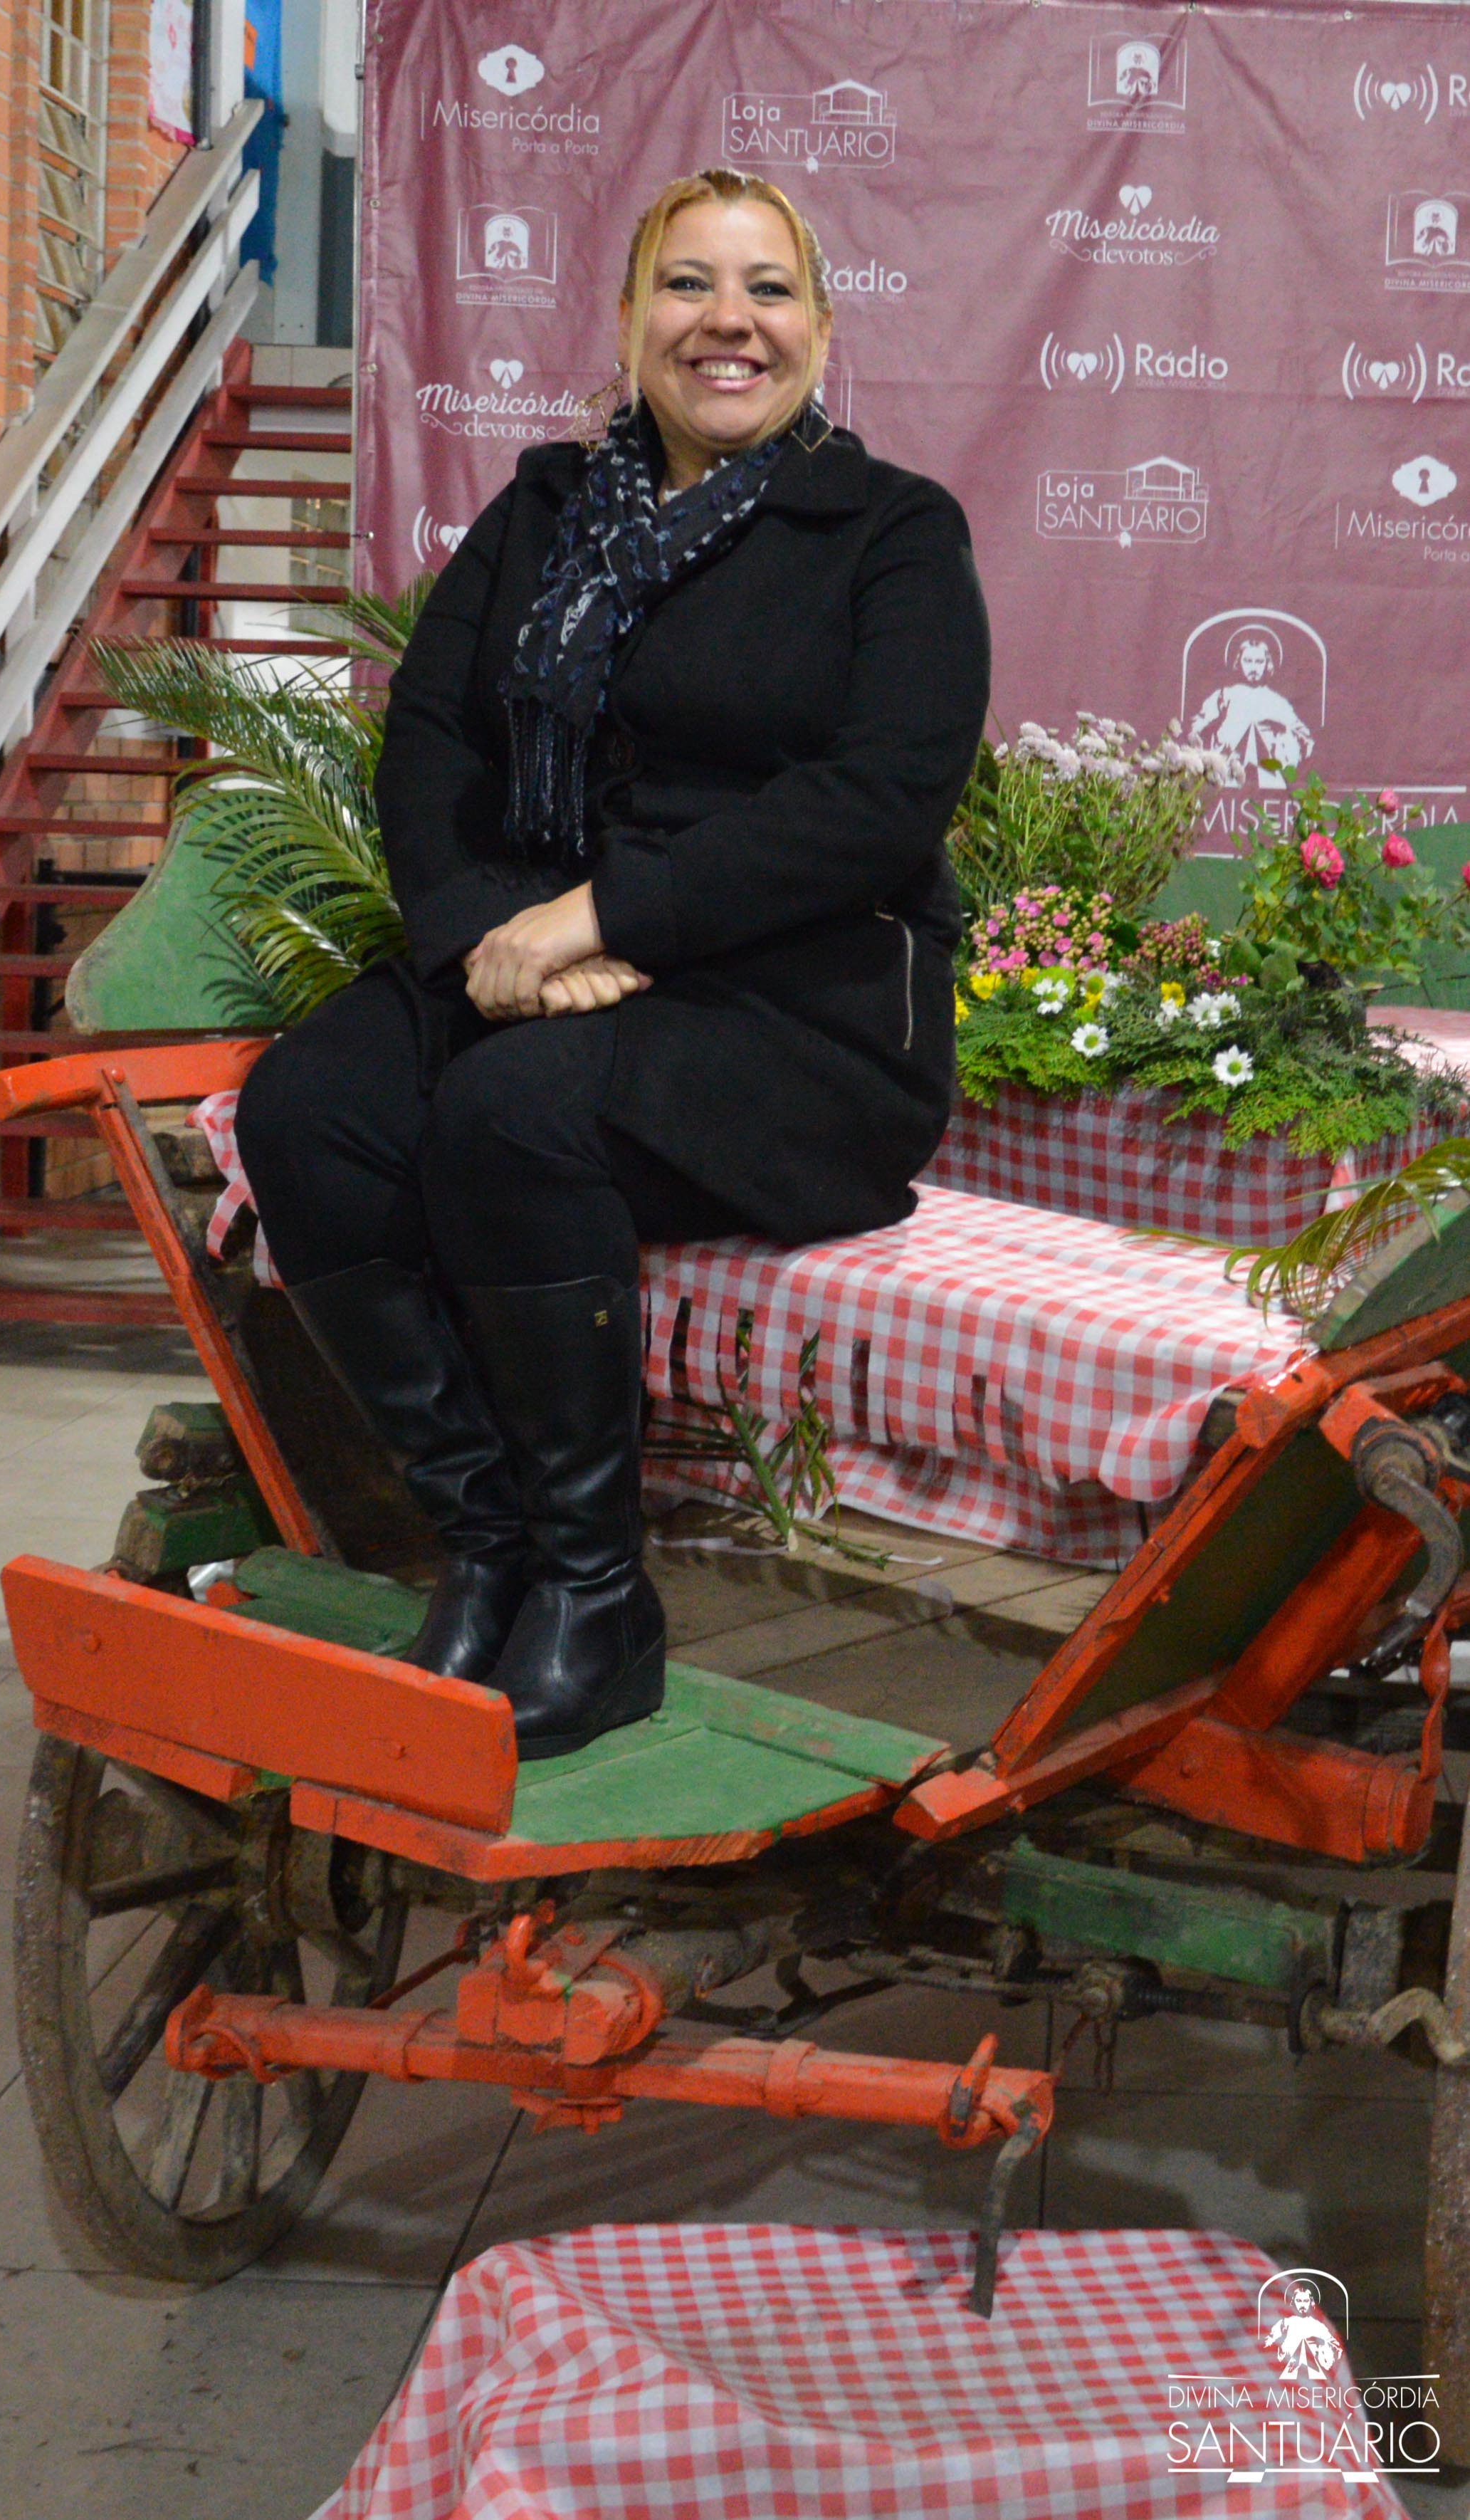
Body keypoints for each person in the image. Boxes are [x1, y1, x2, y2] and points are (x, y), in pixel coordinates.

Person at [236, 166, 990, 1761]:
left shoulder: (893, 533)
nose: (728, 322)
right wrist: (481, 940)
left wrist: (602, 922)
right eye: (688, 284)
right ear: (631, 318)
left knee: (515, 1116)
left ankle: (598, 1597)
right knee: (308, 1108)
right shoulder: (541, 514)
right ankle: (490, 1546)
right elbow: (430, 741)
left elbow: (877, 803)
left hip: (803, 1019)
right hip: (533, 961)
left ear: (820, 328)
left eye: (767, 288)